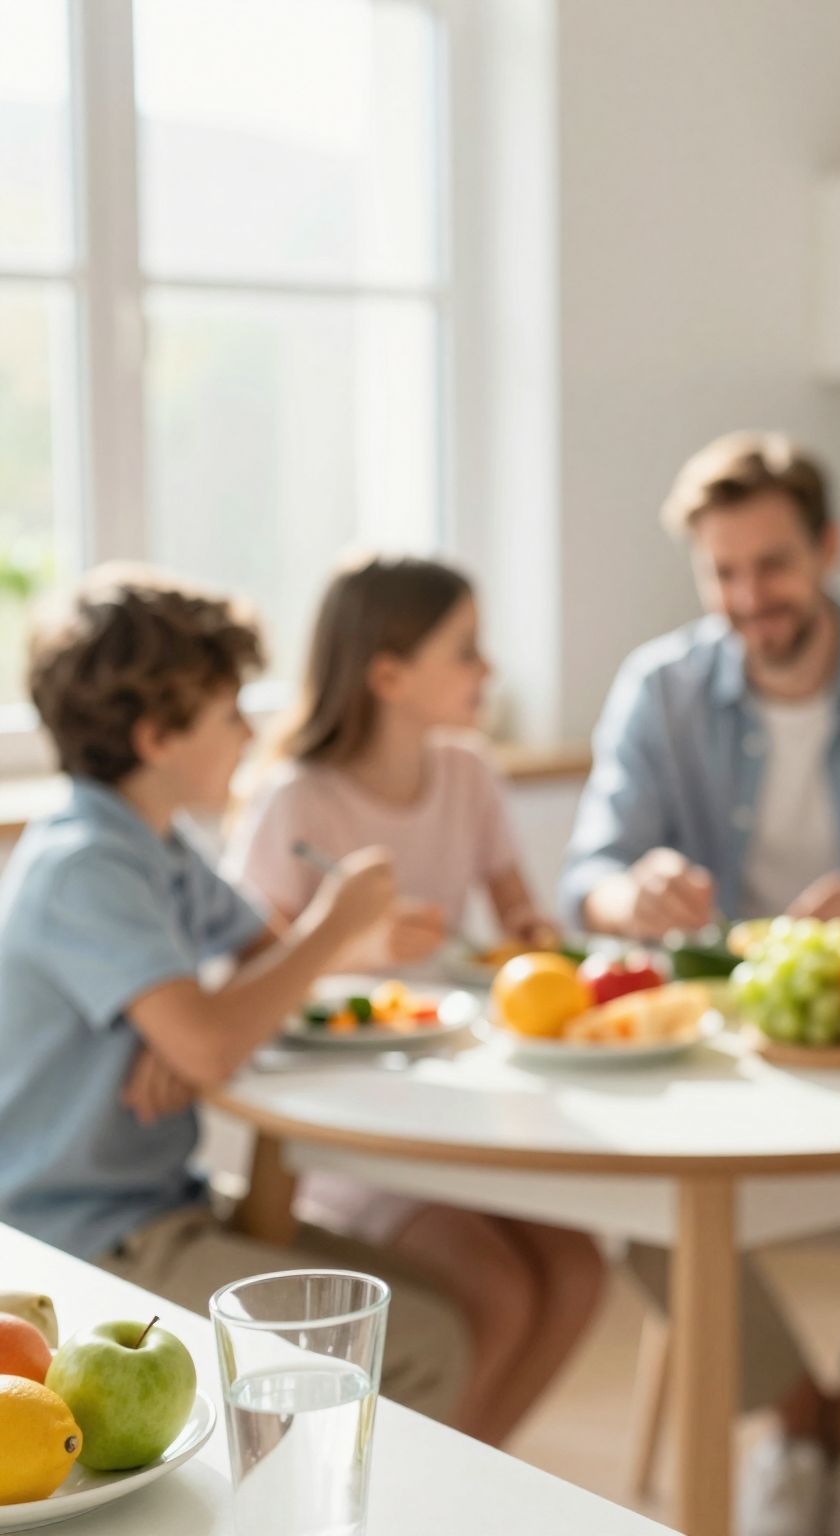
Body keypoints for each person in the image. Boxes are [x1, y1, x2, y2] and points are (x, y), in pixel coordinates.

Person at [563, 433, 840, 1535]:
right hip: (725, 1046)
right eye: (721, 573)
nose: (746, 598)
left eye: (768, 566)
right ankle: (790, 1421)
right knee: (631, 1202)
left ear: (825, 547)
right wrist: (639, 893)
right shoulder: (661, 688)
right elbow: (590, 876)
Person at [0, 568, 469, 1424]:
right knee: (424, 1346)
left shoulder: (160, 849)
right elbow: (227, 1031)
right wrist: (329, 932)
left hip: (160, 1208)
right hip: (84, 1240)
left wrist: (176, 1021)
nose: (251, 732)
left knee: (447, 1316)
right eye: (228, 714)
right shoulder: (85, 866)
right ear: (156, 737)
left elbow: (258, 962)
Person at [225, 553, 606, 1446]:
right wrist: (351, 944)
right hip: (350, 1129)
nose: (489, 671)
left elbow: (522, 919)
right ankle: (432, 1492)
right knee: (500, 1297)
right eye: (466, 651)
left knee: (581, 1276)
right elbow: (248, 982)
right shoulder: (295, 800)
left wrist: (531, 941)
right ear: (389, 675)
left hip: (461, 1105)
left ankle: (460, 1478)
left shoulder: (469, 773)